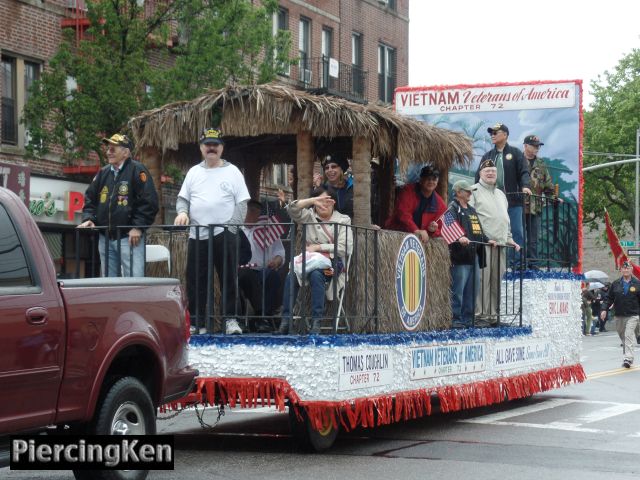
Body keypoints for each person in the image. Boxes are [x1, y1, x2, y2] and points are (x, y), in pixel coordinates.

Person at [174, 127, 250, 335]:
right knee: (196, 279)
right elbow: (183, 199)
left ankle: (230, 320)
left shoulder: (233, 171)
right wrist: (182, 212)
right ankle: (198, 322)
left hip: (225, 232)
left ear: (222, 148)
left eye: (215, 144)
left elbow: (242, 203)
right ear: (201, 147)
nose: (211, 148)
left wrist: (232, 228)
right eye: (207, 144)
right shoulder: (193, 172)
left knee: (228, 278)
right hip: (197, 233)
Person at [79, 133, 158, 277]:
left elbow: (149, 201)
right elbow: (90, 198)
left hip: (129, 237)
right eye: (108, 149)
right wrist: (89, 219)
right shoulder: (103, 173)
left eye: (113, 149)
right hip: (105, 239)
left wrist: (137, 227)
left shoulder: (137, 169)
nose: (108, 152)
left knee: (134, 283)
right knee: (109, 286)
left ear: (126, 152)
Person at [278, 188, 352, 335]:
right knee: (291, 275)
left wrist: (318, 247)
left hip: (332, 267)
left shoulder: (343, 220)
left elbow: (345, 247)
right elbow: (292, 209)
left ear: (333, 201)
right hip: (309, 263)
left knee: (317, 275)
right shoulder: (309, 216)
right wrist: (312, 200)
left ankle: (316, 322)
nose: (322, 204)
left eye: (326, 200)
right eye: (319, 201)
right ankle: (285, 321)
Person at [469, 159, 521, 324]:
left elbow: (505, 220)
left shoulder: (501, 194)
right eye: (487, 171)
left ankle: (493, 316)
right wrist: (481, 238)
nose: (491, 173)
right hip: (483, 245)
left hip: (501, 245)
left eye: (493, 171)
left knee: (496, 281)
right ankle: (480, 316)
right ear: (480, 174)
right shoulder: (473, 191)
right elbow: (471, 218)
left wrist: (510, 239)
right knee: (483, 281)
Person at [476, 123, 531, 267]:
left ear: (505, 135)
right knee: (492, 231)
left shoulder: (516, 153)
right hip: (492, 202)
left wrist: (525, 187)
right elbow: (478, 177)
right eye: (491, 133)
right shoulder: (488, 156)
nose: (492, 135)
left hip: (513, 201)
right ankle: (496, 264)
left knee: (516, 232)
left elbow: (524, 172)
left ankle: (516, 265)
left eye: (496, 132)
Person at [447, 180, 495, 328]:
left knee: (472, 290)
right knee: (458, 290)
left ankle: (468, 319)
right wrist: (458, 237)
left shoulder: (472, 210)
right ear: (458, 192)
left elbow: (478, 230)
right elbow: (448, 225)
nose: (470, 193)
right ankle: (455, 319)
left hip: (474, 255)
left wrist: (488, 240)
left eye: (470, 191)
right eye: (467, 191)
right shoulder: (452, 207)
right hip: (460, 256)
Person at [239, 200, 285, 332]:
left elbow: (280, 252)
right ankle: (249, 317)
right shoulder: (236, 229)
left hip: (262, 270)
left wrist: (277, 260)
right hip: (242, 272)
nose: (255, 216)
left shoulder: (267, 230)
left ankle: (263, 317)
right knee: (245, 276)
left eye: (258, 213)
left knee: (273, 277)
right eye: (251, 211)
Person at [385, 165, 448, 242]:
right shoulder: (407, 191)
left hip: (420, 240)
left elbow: (441, 229)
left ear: (437, 182)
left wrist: (432, 231)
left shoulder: (440, 203)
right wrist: (416, 230)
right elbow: (403, 213)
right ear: (421, 180)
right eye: (428, 179)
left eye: (434, 179)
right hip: (397, 234)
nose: (431, 181)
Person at [522, 135, 558, 268]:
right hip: (518, 206)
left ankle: (533, 265)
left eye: (538, 146)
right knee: (518, 236)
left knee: (533, 239)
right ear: (525, 146)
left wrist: (553, 197)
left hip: (535, 207)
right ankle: (519, 264)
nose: (537, 148)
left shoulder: (541, 163)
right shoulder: (517, 160)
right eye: (534, 145)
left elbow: (548, 185)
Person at [600, 261, 640, 368]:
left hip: (633, 315)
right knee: (623, 336)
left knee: (628, 335)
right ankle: (627, 354)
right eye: (624, 268)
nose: (626, 270)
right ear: (621, 270)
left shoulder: (637, 283)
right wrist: (604, 309)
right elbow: (608, 298)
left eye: (628, 268)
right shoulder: (616, 283)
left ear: (631, 270)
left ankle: (628, 359)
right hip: (619, 315)